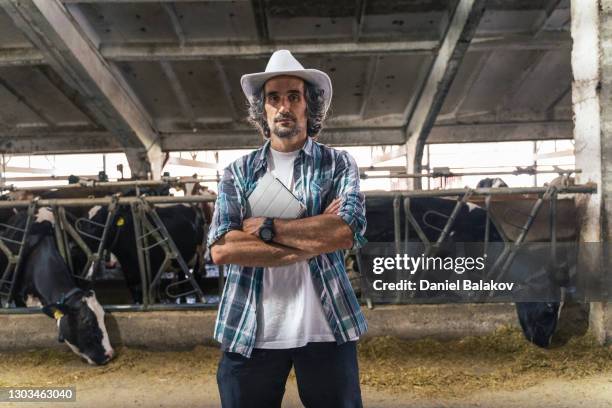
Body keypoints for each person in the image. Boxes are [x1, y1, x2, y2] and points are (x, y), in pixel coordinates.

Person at [208, 49, 367, 408]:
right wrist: (313, 238)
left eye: (293, 97)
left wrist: (265, 227)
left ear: (309, 106)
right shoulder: (239, 172)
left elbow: (345, 232)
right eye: (274, 98)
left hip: (327, 329)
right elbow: (222, 248)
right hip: (249, 330)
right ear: (262, 110)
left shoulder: (338, 164)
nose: (284, 106)